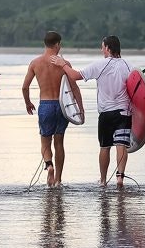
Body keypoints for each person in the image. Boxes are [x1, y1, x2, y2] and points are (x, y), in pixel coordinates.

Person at [51, 35, 132, 187]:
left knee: (105, 147)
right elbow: (136, 88)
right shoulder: (128, 65)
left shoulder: (101, 64)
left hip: (107, 113)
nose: (101, 50)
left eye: (102, 47)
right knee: (121, 145)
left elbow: (75, 76)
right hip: (124, 112)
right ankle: (120, 177)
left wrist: (63, 64)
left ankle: (102, 180)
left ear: (108, 48)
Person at [22, 30, 72, 187]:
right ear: (57, 44)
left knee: (45, 142)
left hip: (45, 105)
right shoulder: (64, 64)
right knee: (59, 143)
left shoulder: (35, 63)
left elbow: (25, 87)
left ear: (45, 44)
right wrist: (78, 108)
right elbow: (72, 87)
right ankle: (58, 180)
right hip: (61, 106)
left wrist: (28, 103)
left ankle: (49, 165)